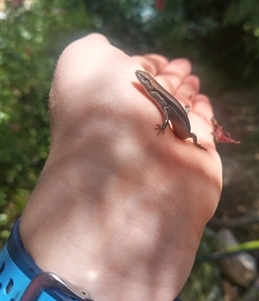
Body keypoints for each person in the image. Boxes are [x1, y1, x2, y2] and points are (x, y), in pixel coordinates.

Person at [1, 33, 222, 300]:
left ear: (150, 85)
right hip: (184, 125)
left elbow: (166, 111)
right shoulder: (153, 92)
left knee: (191, 136)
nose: (140, 82)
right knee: (190, 135)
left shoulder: (159, 95)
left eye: (144, 81)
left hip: (184, 127)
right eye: (142, 80)